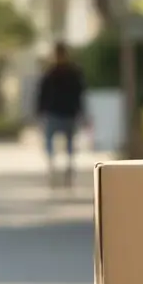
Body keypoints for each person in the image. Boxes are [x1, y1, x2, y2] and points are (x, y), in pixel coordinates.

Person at [34, 42, 88, 186]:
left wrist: (81, 112)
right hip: (56, 112)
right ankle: (54, 167)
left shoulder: (68, 73)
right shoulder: (52, 73)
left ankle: (67, 167)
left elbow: (79, 94)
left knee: (68, 142)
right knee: (53, 142)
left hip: (67, 113)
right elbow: (42, 94)